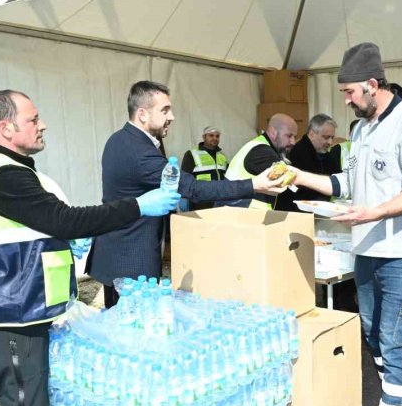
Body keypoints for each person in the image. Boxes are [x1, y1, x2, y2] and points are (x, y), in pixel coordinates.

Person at [0, 90, 181, 406]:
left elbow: (45, 225)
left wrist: (64, 241)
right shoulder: (2, 176)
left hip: (27, 310)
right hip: (11, 319)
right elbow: (64, 218)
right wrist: (138, 206)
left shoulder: (14, 170)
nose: (42, 124)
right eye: (33, 119)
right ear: (5, 128)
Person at [290, 42, 402, 406]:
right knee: (374, 334)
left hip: (401, 253)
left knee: (395, 341)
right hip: (366, 250)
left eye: (350, 92)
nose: (346, 100)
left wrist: (373, 213)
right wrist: (298, 175)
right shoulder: (360, 130)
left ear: (373, 84)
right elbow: (346, 183)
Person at [87, 80, 284, 308]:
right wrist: (254, 184)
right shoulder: (141, 153)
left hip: (112, 252)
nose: (172, 117)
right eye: (165, 110)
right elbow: (193, 189)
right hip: (132, 262)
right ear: (142, 114)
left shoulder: (118, 139)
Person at [222, 113, 299, 210]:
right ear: (273, 132)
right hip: (240, 214)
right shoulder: (262, 151)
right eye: (289, 135)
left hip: (239, 211)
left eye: (295, 137)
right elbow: (289, 178)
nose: (293, 142)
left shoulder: (259, 145)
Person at [286, 113, 340, 204]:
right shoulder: (297, 154)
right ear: (312, 134)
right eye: (326, 137)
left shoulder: (327, 155)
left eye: (332, 138)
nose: (330, 142)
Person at [180, 126, 228, 211]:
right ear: (204, 137)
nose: (215, 138)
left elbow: (228, 175)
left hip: (221, 199)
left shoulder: (222, 155)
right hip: (200, 201)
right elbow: (185, 178)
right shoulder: (191, 154)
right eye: (211, 135)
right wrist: (185, 199)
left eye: (217, 136)